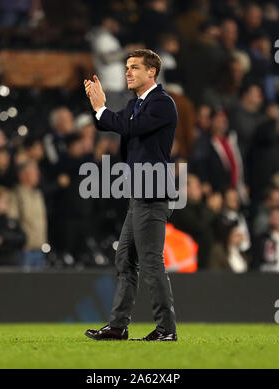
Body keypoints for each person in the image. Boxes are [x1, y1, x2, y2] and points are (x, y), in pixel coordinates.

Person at [84, 49, 178, 341]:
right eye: (126, 67)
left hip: (153, 193)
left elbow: (128, 126)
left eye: (134, 67)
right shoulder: (136, 103)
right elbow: (109, 123)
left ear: (151, 72)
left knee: (150, 262)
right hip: (139, 193)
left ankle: (166, 329)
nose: (127, 72)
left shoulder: (162, 103)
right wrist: (97, 105)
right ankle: (118, 326)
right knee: (125, 260)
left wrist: (102, 108)